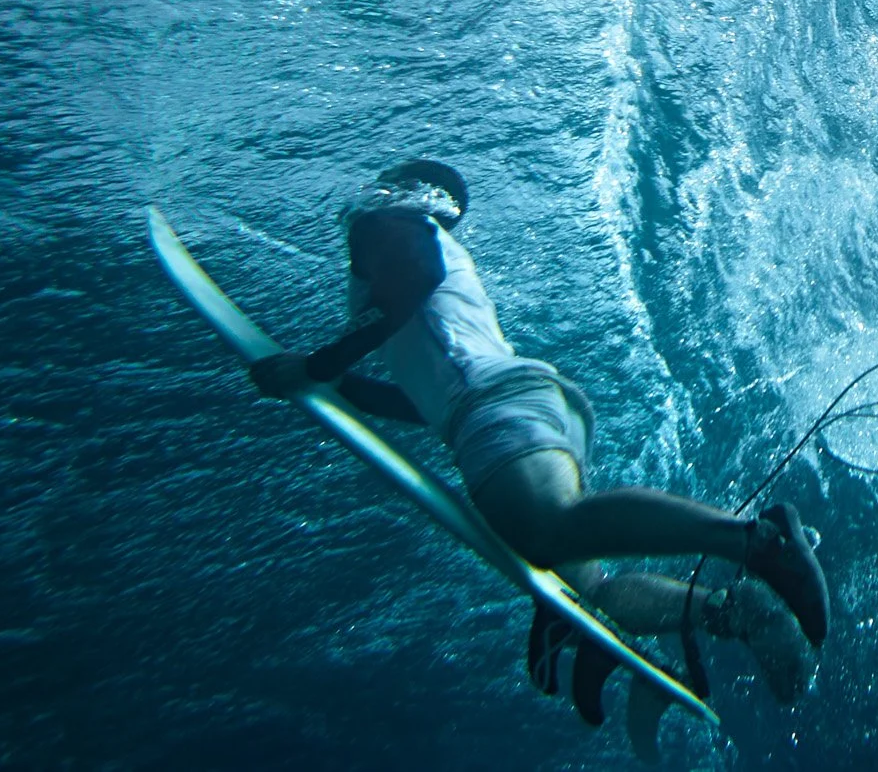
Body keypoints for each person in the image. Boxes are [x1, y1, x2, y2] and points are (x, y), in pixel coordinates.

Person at [247, 161, 826, 749]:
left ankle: (755, 543)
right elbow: (425, 399)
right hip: (516, 411)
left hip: (497, 411)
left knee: (549, 531)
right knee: (586, 593)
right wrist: (337, 387)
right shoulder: (412, 270)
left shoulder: (388, 224)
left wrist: (315, 366)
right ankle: (729, 613)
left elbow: (416, 280)